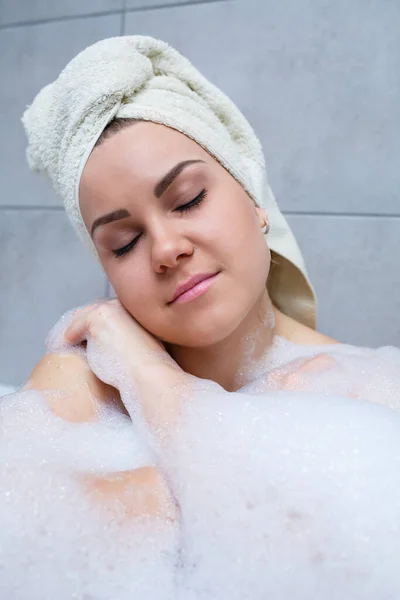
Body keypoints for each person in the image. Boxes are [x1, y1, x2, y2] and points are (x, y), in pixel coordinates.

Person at [21, 36, 399, 522]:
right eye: (124, 242)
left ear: (252, 195)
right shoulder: (80, 384)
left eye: (188, 200)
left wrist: (150, 378)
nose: (165, 249)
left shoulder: (373, 394)